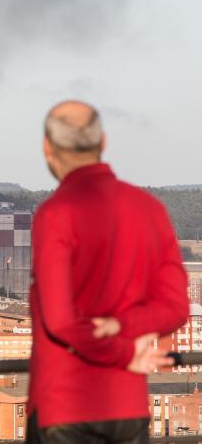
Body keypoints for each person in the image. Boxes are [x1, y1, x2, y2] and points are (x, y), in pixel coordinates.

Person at [27, 101, 189, 444]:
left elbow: (61, 321)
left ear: (47, 147)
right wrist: (125, 327)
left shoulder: (56, 213)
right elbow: (176, 308)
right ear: (103, 142)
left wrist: (124, 353)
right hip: (127, 407)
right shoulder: (150, 210)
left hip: (65, 406)